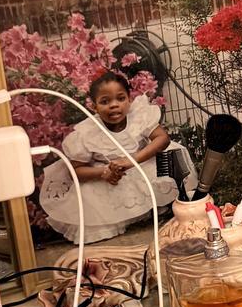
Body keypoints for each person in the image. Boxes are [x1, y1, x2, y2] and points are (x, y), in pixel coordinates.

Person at [38, 71, 181, 243]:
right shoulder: (87, 132)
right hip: (108, 174)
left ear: (129, 99)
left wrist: (130, 161)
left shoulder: (139, 116)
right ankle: (115, 221)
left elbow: (162, 139)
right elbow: (75, 171)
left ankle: (156, 208)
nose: (114, 105)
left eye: (120, 99)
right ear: (94, 106)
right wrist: (103, 172)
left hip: (138, 163)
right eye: (105, 102)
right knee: (90, 195)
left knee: (163, 163)